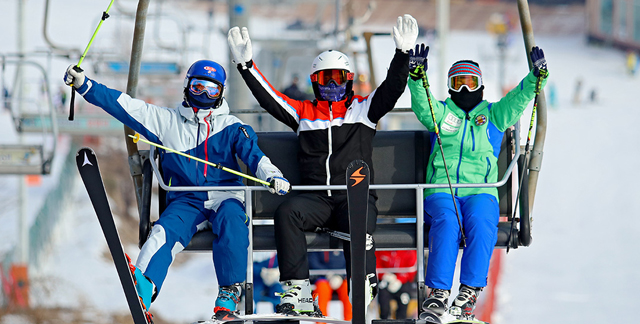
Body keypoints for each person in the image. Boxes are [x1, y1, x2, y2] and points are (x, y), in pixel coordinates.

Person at [64, 60, 291, 320]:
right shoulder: (166, 121)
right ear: (187, 87)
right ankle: (144, 285)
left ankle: (229, 293)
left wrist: (272, 176)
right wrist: (85, 85)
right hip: (186, 200)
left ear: (221, 93)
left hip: (225, 197)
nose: (204, 95)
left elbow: (255, 156)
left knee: (233, 221)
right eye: (198, 87)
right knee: (162, 231)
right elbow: (123, 105)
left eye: (211, 90)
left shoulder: (232, 126)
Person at [227, 14, 418, 316]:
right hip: (318, 198)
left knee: (357, 219)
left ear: (348, 81)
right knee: (288, 212)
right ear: (314, 82)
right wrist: (246, 66)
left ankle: (361, 282)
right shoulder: (303, 113)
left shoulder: (362, 110)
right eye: (325, 78)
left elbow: (392, 89)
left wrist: (402, 54)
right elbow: (270, 100)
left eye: (338, 78)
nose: (332, 84)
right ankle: (298, 290)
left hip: (353, 195)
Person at [407, 44, 548, 320]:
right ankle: (438, 294)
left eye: (470, 83)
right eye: (457, 83)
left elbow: (518, 99)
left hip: (481, 191)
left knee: (483, 222)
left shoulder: (494, 116)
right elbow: (424, 104)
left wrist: (535, 76)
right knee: (447, 222)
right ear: (449, 87)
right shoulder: (442, 114)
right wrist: (416, 76)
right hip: (442, 189)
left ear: (481, 86)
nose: (464, 90)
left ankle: (469, 291)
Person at [308, 251, 352, 320]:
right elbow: (312, 261)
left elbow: (350, 262)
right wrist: (328, 274)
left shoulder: (344, 244)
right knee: (322, 290)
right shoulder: (318, 243)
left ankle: (350, 320)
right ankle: (321, 321)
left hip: (342, 278)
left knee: (349, 288)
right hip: (322, 278)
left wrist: (341, 276)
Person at [376, 250, 417, 320]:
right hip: (385, 280)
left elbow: (412, 267)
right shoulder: (381, 250)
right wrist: (384, 275)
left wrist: (399, 280)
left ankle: (401, 320)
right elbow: (375, 264)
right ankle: (384, 319)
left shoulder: (409, 251)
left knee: (404, 300)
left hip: (403, 282)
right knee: (383, 302)